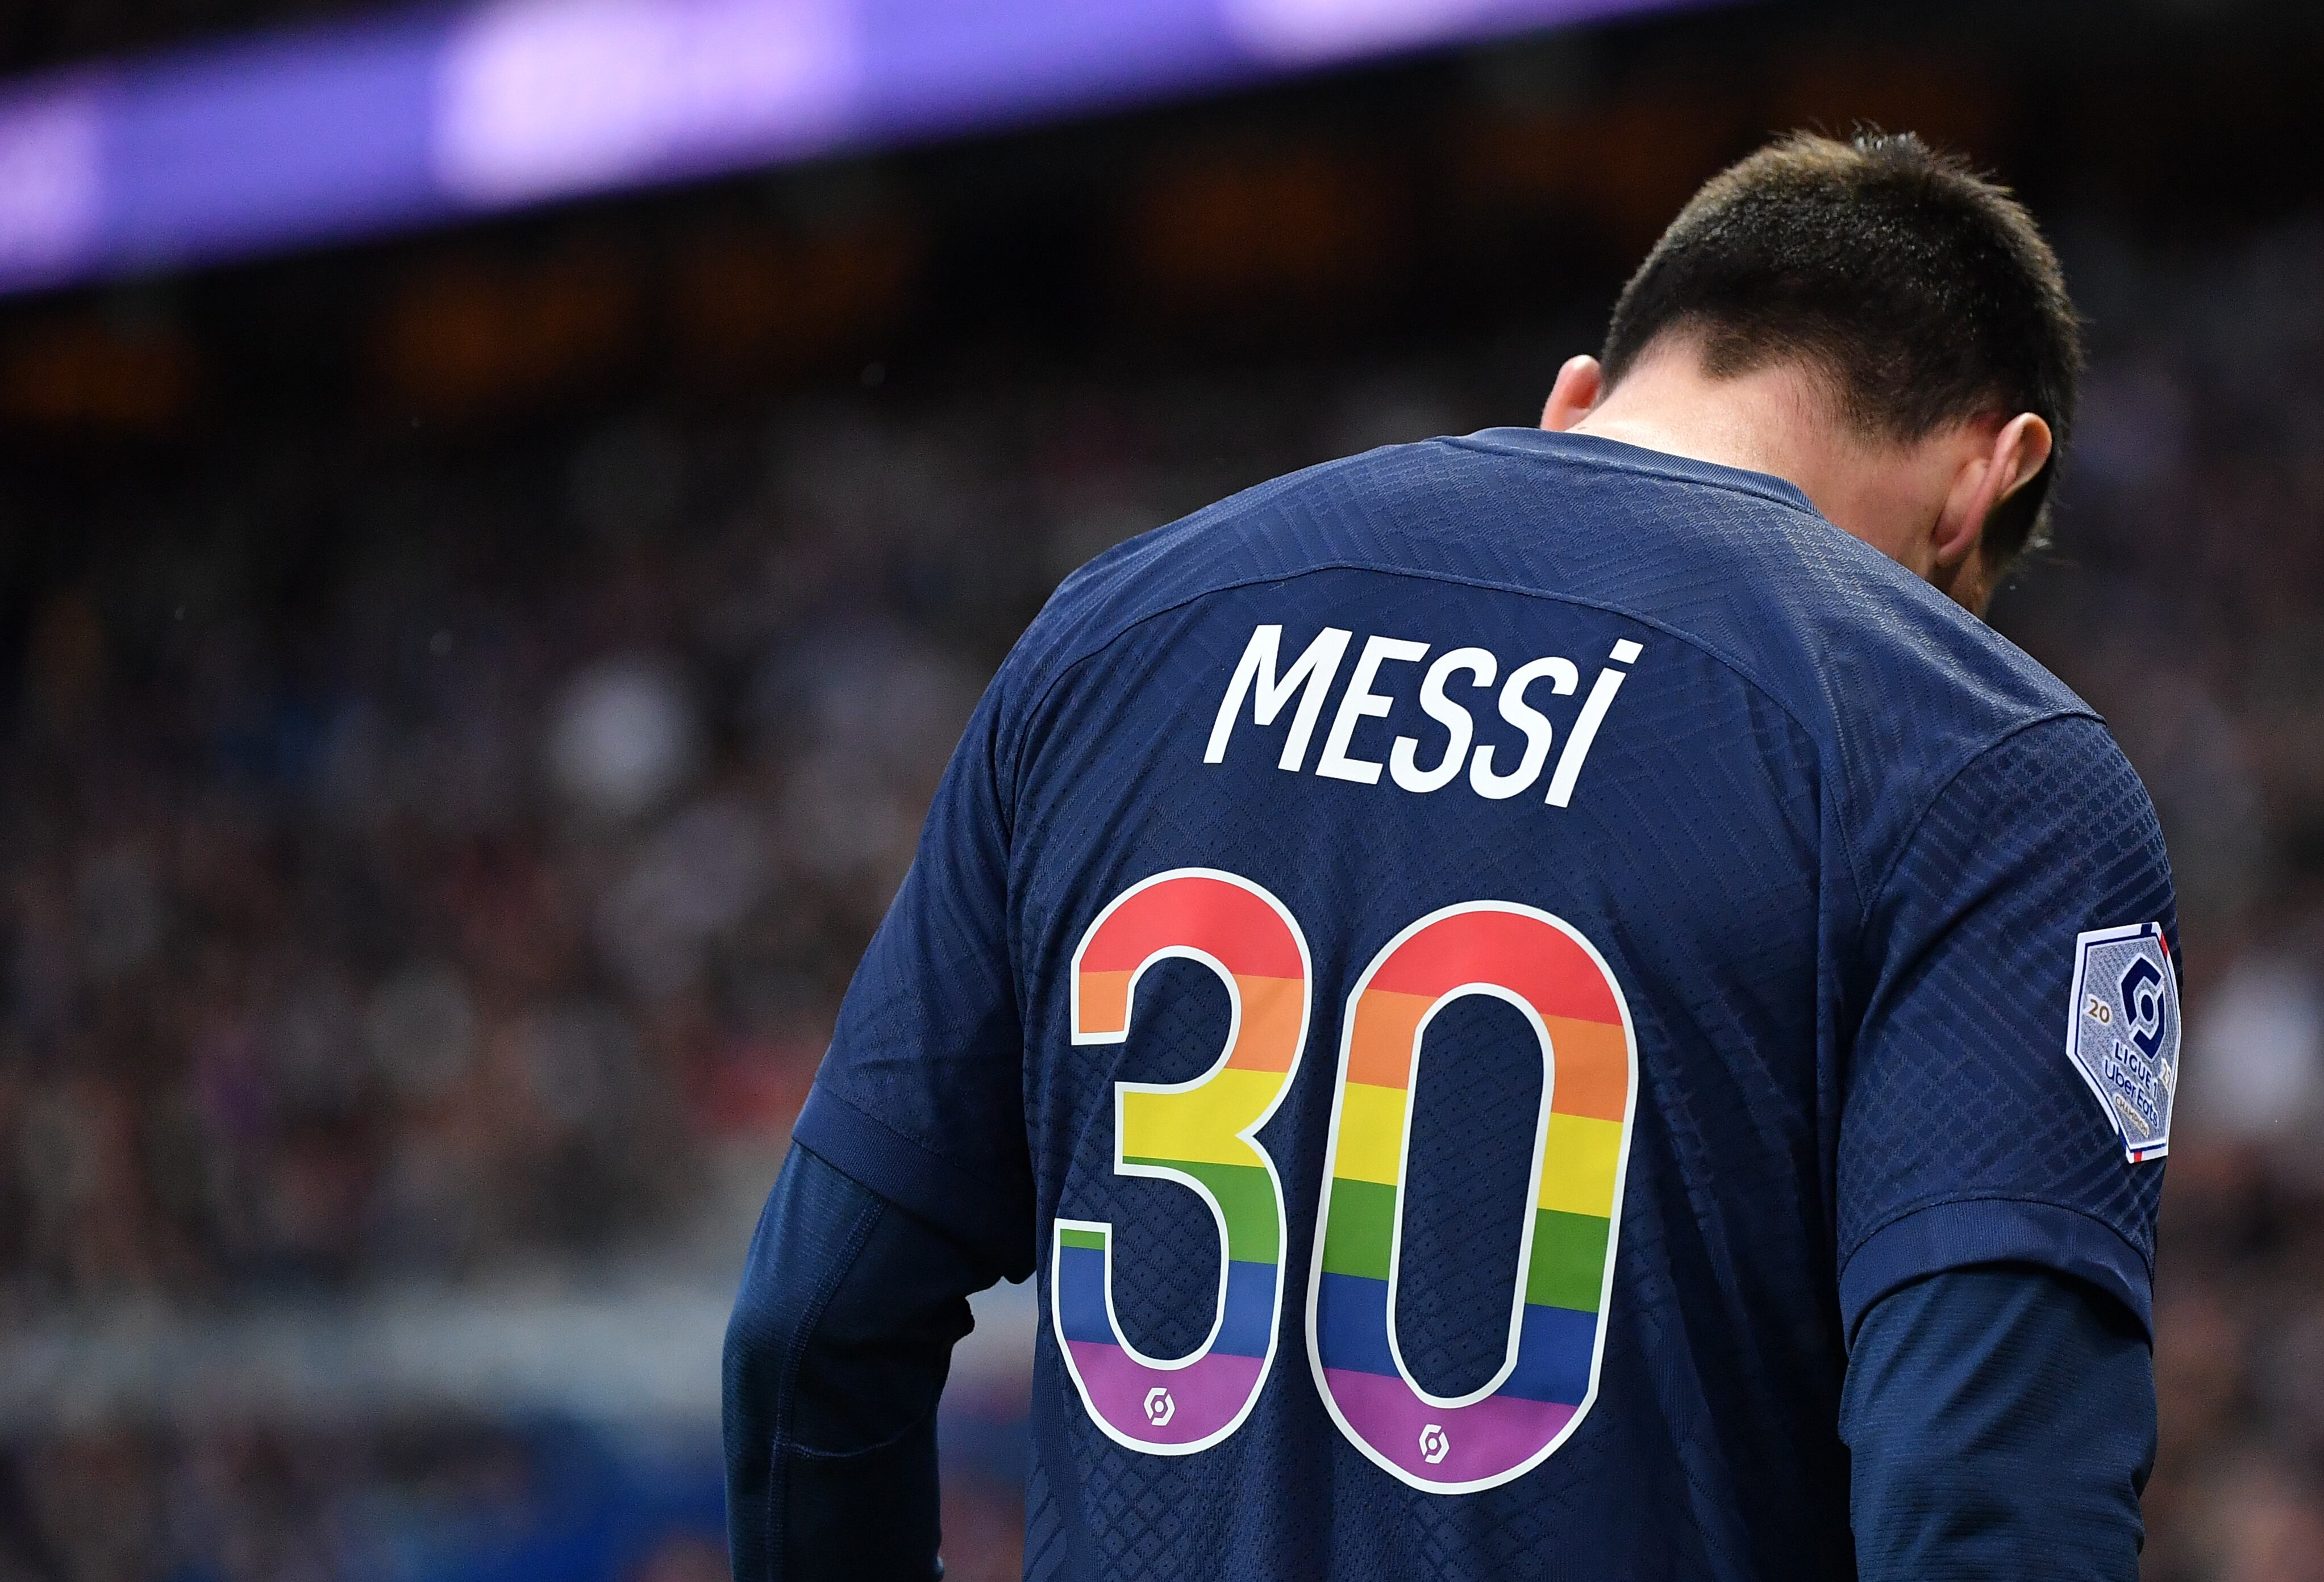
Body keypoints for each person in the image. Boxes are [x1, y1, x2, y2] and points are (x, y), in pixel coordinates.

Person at [724, 131, 2178, 1580]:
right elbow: (1981, 1505)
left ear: (1577, 400)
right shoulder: (1978, 757)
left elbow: (815, 1328)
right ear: (1988, 477)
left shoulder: (1114, 631)